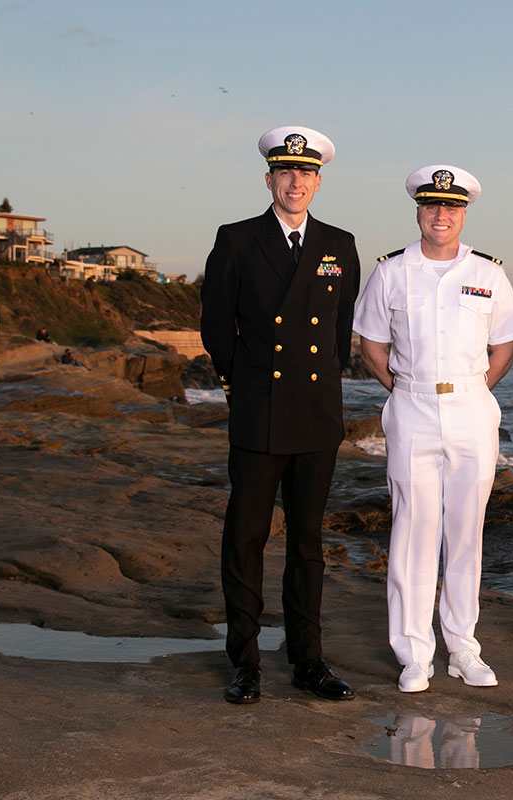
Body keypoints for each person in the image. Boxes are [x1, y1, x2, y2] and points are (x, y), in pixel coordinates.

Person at [200, 125, 361, 705]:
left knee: (308, 542)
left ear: (318, 181)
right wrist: (240, 386)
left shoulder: (340, 244)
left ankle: (308, 661)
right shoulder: (238, 239)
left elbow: (340, 330)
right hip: (259, 410)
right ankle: (244, 663)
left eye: (307, 173)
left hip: (316, 413)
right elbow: (217, 326)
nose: (296, 182)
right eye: (286, 172)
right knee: (244, 538)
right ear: (269, 179)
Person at [353, 165, 513, 693]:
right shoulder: (390, 272)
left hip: (472, 408)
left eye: (450, 206)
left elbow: (504, 347)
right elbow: (372, 347)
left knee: (466, 533)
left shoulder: (490, 274)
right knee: (412, 532)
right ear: (419, 211)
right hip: (411, 407)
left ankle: (463, 649)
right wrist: (406, 388)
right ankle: (413, 653)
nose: (441, 214)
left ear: (464, 213)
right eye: (431, 205)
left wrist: (472, 389)